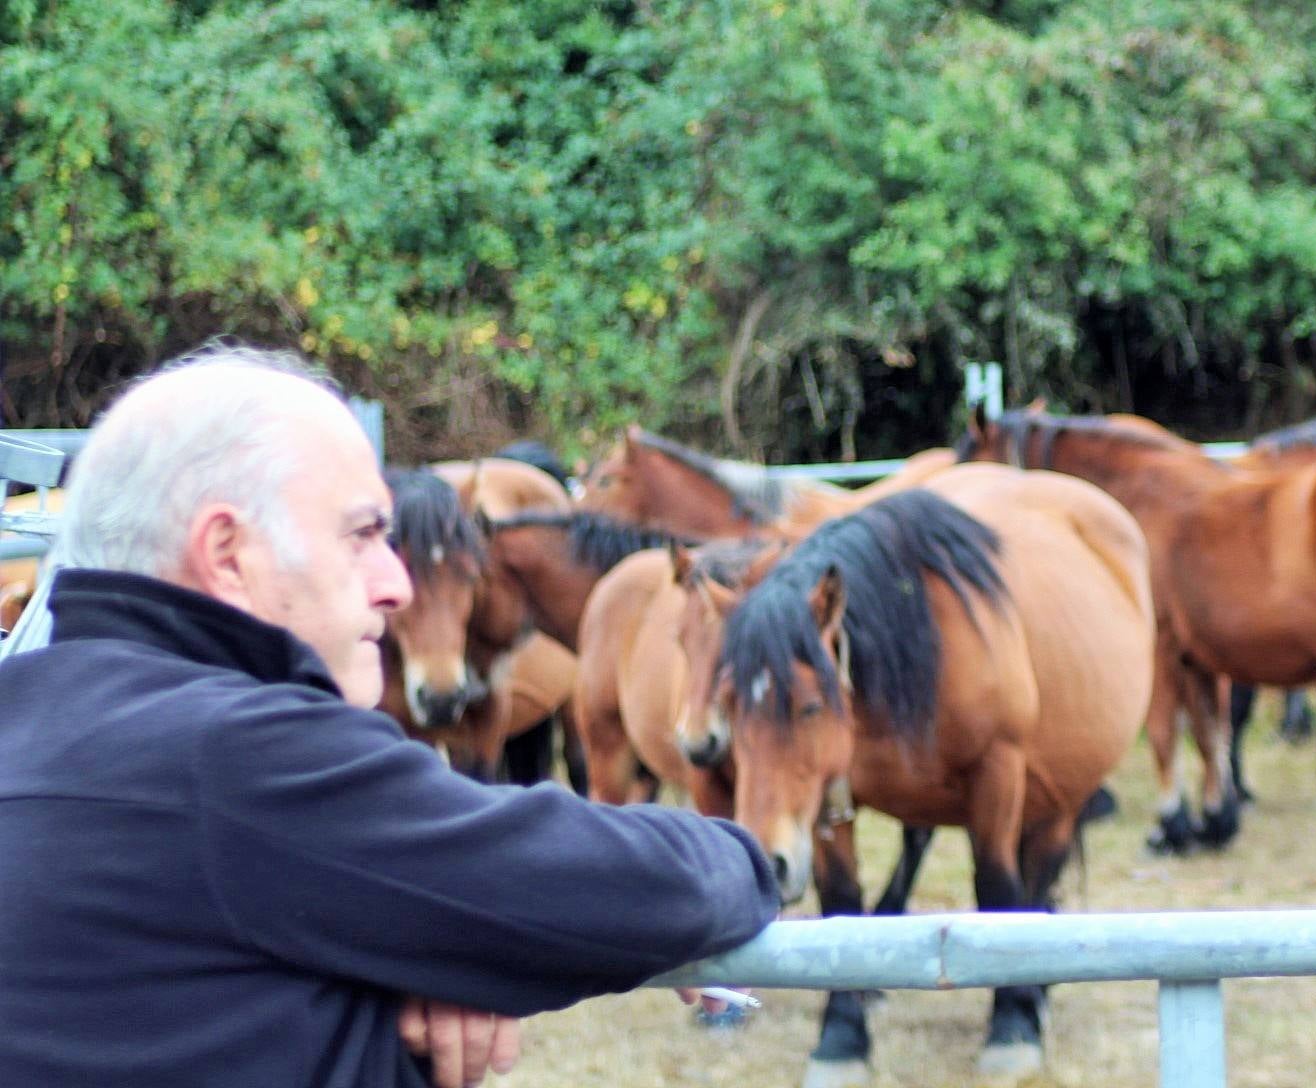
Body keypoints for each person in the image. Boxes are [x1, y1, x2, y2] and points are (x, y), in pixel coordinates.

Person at [0, 343, 779, 1087]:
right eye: (363, 535)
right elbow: (643, 890)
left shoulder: (27, 716)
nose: (396, 584)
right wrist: (736, 857)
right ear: (229, 553)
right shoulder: (240, 754)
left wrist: (408, 954)